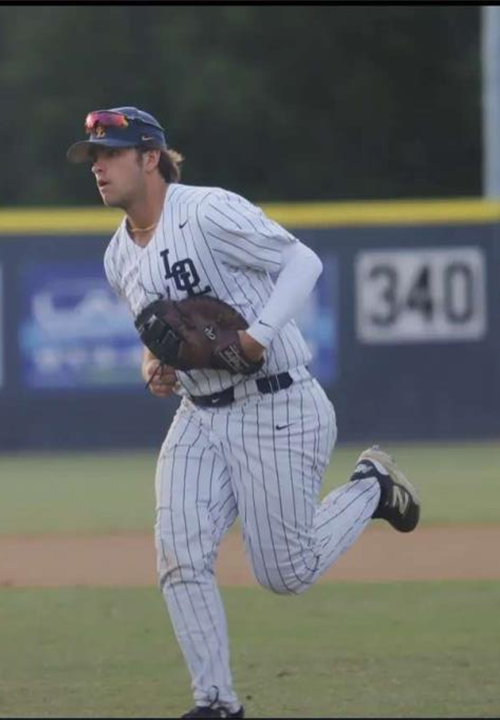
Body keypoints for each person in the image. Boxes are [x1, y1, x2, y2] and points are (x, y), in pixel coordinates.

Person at [67, 106, 420, 719]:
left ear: (150, 158)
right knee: (179, 552)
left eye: (112, 153)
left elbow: (302, 262)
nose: (98, 166)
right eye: (93, 156)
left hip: (277, 403)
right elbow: (154, 335)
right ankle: (217, 702)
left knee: (286, 573)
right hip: (199, 415)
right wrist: (153, 367)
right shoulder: (118, 256)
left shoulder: (206, 211)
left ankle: (373, 486)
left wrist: (258, 336)